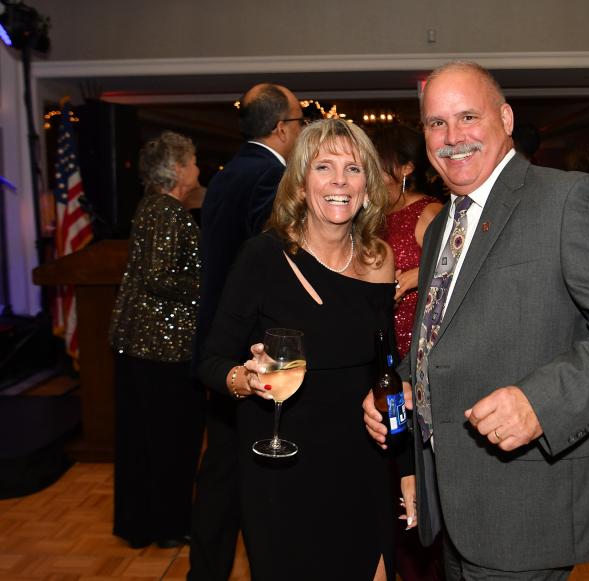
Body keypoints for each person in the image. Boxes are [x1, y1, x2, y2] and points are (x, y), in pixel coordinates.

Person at [363, 61, 589, 579]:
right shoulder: (444, 225)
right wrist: (413, 391)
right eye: (436, 123)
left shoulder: (565, 199)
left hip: (525, 502)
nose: (452, 137)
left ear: (505, 118)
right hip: (453, 502)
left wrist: (541, 403)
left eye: (467, 117)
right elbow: (445, 336)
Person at [198, 119, 411, 581]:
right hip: (282, 465)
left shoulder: (379, 259)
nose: (339, 181)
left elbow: (387, 369)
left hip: (362, 462)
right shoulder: (262, 258)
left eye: (352, 168)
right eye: (324, 167)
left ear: (367, 185)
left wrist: (406, 464)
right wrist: (248, 380)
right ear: (300, 181)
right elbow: (211, 362)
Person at [188, 83, 304, 580]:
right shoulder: (268, 178)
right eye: (300, 122)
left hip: (218, 342)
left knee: (220, 474)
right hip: (253, 352)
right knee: (257, 478)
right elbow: (273, 263)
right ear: (281, 128)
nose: (301, 130)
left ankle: (206, 571)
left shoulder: (227, 174)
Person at [108, 131, 205, 549]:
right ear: (177, 169)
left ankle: (140, 524)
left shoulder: (149, 207)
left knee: (142, 442)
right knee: (171, 443)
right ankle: (168, 526)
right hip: (163, 349)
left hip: (138, 345)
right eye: (194, 161)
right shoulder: (169, 211)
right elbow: (160, 277)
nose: (199, 168)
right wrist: (207, 284)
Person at [372, 125, 443, 358]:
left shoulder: (429, 212)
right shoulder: (372, 216)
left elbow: (468, 270)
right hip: (382, 335)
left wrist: (420, 275)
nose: (370, 176)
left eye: (378, 167)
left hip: (421, 341)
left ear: (406, 168)